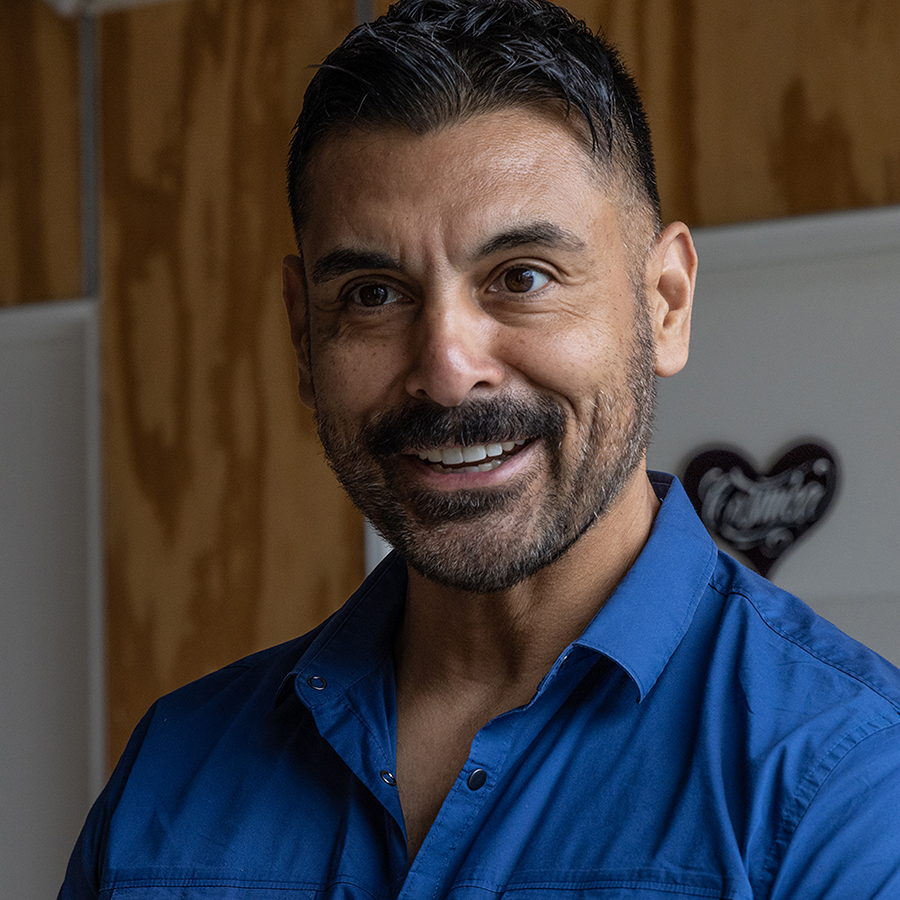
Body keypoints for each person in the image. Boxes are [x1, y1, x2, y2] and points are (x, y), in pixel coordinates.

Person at [60, 1, 900, 897]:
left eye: (522, 278)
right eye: (375, 294)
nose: (448, 371)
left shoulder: (847, 786)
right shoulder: (169, 780)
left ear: (664, 302)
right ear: (304, 336)